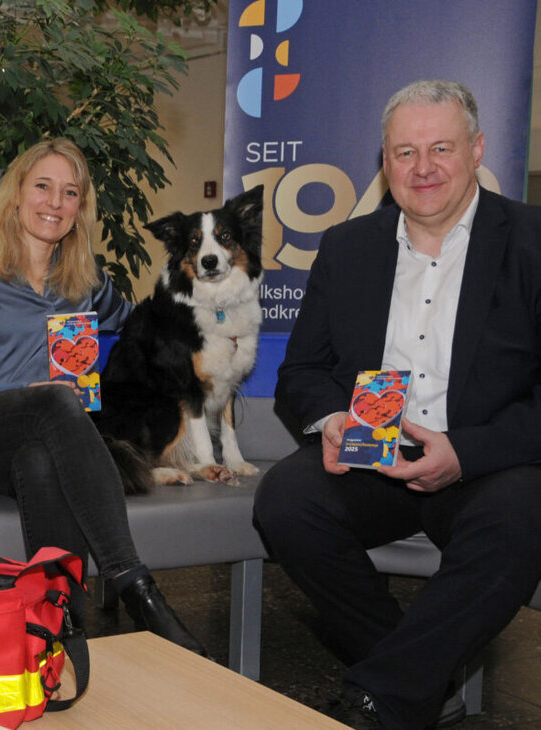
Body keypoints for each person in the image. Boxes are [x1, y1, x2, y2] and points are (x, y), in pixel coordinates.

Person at [253, 80, 541, 730]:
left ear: (476, 150)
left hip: (488, 464)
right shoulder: (347, 246)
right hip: (373, 455)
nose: (423, 168)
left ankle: (380, 698)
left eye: (440, 147)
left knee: (527, 513)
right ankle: (414, 682)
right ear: (385, 162)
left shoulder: (533, 242)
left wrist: (465, 453)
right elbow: (300, 370)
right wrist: (332, 420)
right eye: (405, 152)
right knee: (285, 502)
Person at [0, 137, 207, 655]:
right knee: (54, 402)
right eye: (42, 186)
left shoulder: (83, 283)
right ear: (16, 194)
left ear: (80, 209)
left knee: (44, 457)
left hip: (43, 443)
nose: (54, 202)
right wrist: (16, 391)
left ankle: (62, 633)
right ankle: (134, 584)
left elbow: (138, 320)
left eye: (70, 193)